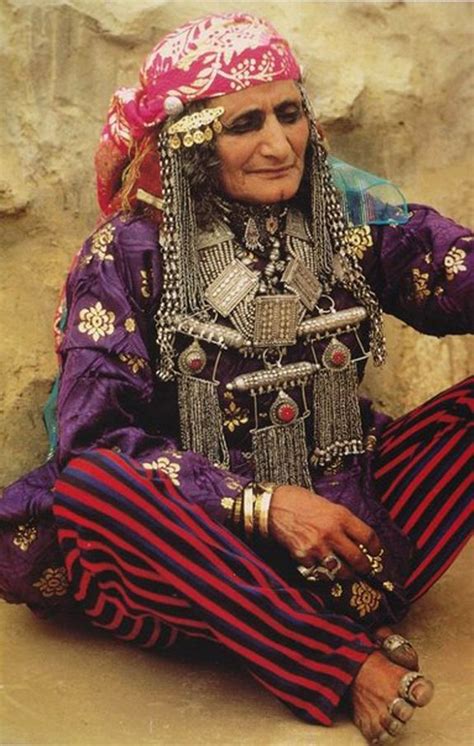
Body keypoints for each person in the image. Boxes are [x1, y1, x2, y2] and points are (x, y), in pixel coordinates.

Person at [0, 12, 472, 745]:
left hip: (352, 538)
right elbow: (96, 441)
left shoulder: (342, 217)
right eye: (245, 123)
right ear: (190, 145)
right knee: (91, 484)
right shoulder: (126, 254)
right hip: (194, 558)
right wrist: (261, 506)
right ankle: (335, 663)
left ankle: (304, 621)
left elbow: (446, 267)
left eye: (289, 114)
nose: (279, 144)